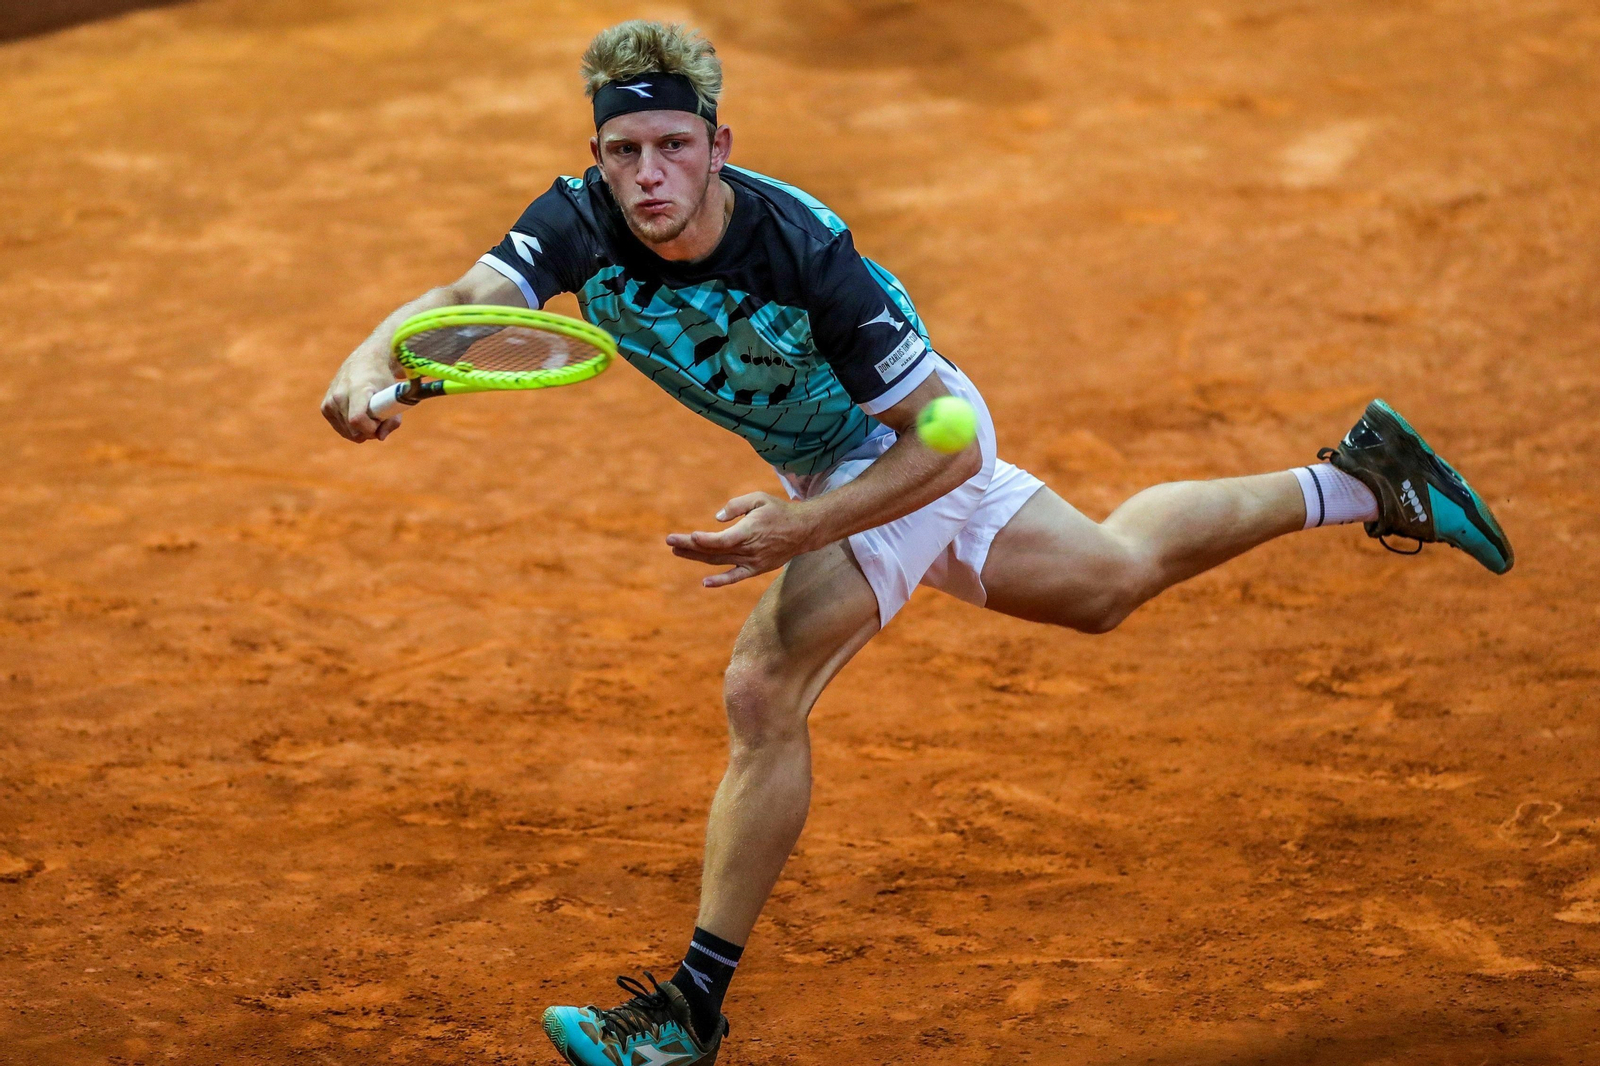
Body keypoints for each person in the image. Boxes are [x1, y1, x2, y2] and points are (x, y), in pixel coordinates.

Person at [320, 20, 1512, 1066]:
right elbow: (462, 303)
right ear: (598, 160)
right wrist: (376, 364)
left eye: (673, 146)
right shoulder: (575, 224)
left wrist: (806, 522)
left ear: (718, 146)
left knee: (762, 685)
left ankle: (687, 1014)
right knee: (1104, 581)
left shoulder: (804, 253)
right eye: (625, 152)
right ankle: (1359, 480)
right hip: (826, 466)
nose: (648, 175)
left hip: (910, 445)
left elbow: (945, 442)